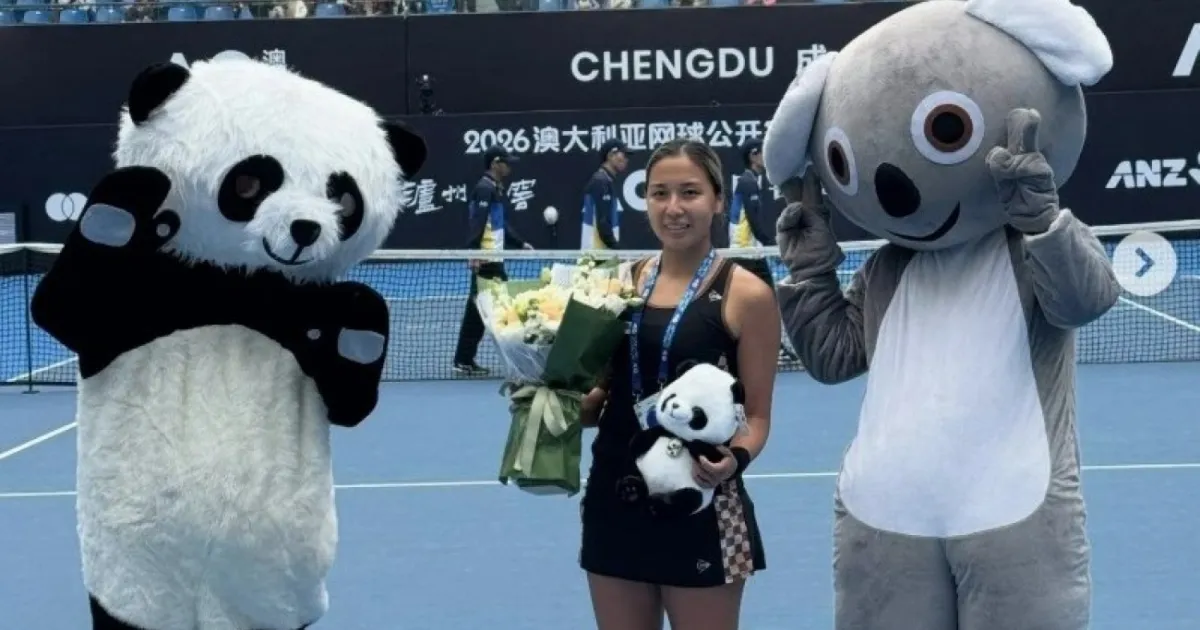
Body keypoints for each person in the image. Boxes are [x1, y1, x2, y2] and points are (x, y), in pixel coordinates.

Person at [577, 138, 780, 630]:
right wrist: (545, 399)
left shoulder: (747, 294)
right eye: (658, 193)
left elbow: (755, 417)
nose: (673, 208)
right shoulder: (619, 284)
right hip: (615, 502)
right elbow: (597, 401)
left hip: (702, 508)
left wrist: (734, 459)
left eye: (689, 192)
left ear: (718, 199)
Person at [452, 145, 533, 376]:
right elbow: (477, 222)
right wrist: (474, 252)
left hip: (493, 258)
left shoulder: (493, 188)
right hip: (487, 261)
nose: (509, 166)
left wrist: (519, 243)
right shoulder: (484, 189)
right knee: (501, 307)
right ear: (495, 163)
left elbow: (500, 224)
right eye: (505, 162)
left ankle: (463, 359)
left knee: (477, 310)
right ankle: (518, 361)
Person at [728, 139, 799, 364]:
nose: (765, 158)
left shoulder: (750, 181)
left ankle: (765, 347)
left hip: (748, 252)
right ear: (753, 155)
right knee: (765, 300)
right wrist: (770, 245)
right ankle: (769, 347)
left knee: (758, 301)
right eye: (762, 153)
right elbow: (753, 221)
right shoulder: (748, 182)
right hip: (746, 253)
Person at [580, 138, 630, 250]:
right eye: (624, 155)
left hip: (601, 255)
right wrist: (618, 250)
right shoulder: (601, 181)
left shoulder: (604, 180)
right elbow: (603, 223)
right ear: (611, 155)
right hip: (597, 257)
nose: (627, 160)